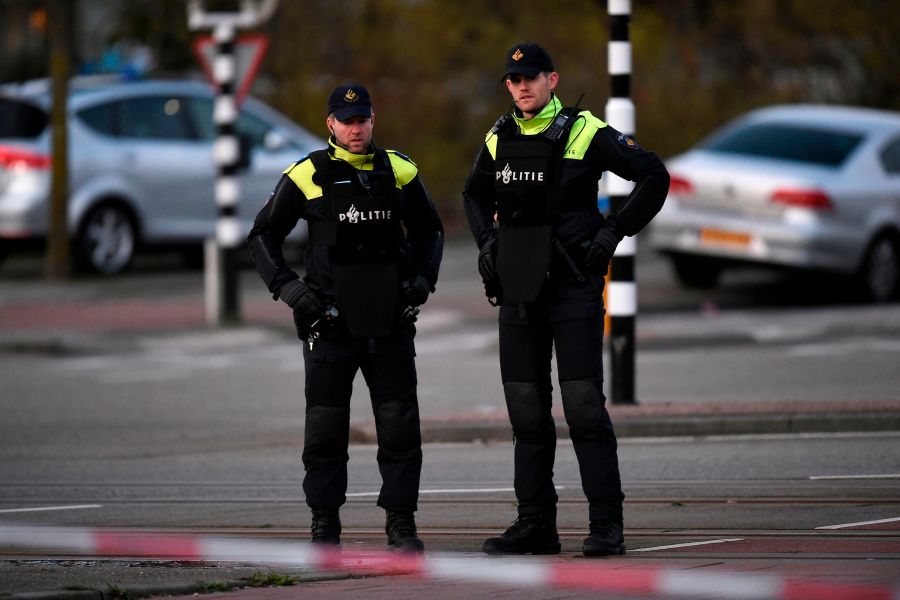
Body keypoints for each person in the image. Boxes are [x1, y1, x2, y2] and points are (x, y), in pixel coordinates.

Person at [463, 42, 669, 557]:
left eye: (531, 77)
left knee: (582, 407)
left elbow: (653, 175)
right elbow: (472, 194)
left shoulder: (585, 130)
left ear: (551, 80)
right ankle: (536, 524)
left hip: (573, 286)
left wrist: (612, 233)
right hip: (517, 291)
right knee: (527, 411)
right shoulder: (499, 135)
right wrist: (487, 244)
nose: (522, 86)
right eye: (513, 80)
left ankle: (606, 525)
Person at [248, 83, 443, 553]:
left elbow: (430, 229)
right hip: (328, 324)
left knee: (399, 427)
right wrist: (289, 289)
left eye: (363, 120)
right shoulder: (307, 174)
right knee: (325, 430)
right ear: (330, 123)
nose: (356, 129)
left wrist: (422, 281)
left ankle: (400, 524)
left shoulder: (398, 169)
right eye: (347, 121)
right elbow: (262, 234)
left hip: (388, 322)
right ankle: (324, 526)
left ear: (373, 121)